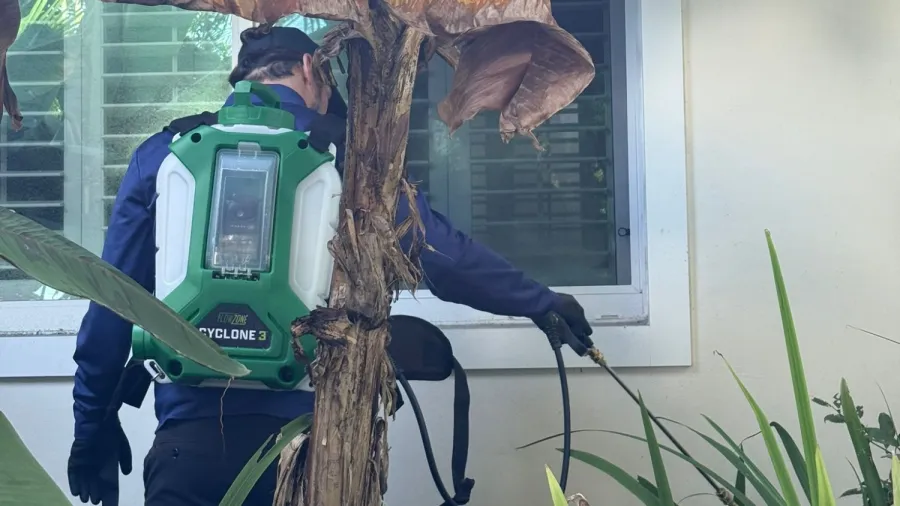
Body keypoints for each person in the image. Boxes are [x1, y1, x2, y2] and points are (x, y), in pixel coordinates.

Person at [66, 24, 594, 506]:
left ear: (243, 81)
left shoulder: (165, 155)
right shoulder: (352, 158)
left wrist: (90, 427)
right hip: (311, 453)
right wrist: (540, 302)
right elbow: (442, 256)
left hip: (187, 451)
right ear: (310, 69)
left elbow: (111, 309)